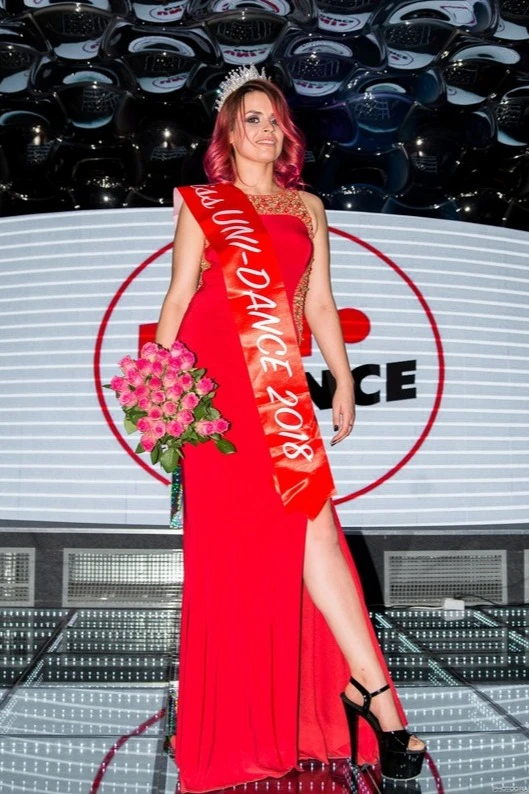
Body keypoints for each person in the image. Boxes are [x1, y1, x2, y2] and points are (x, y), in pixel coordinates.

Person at [156, 65, 425, 793]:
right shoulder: (202, 204)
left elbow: (320, 303)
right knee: (234, 560)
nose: (266, 130)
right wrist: (164, 393)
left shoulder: (307, 206)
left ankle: (374, 695)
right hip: (216, 393)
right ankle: (257, 720)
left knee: (315, 531)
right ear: (228, 132)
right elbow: (177, 298)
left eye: (275, 120)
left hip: (274, 389)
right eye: (252, 118)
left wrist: (341, 378)